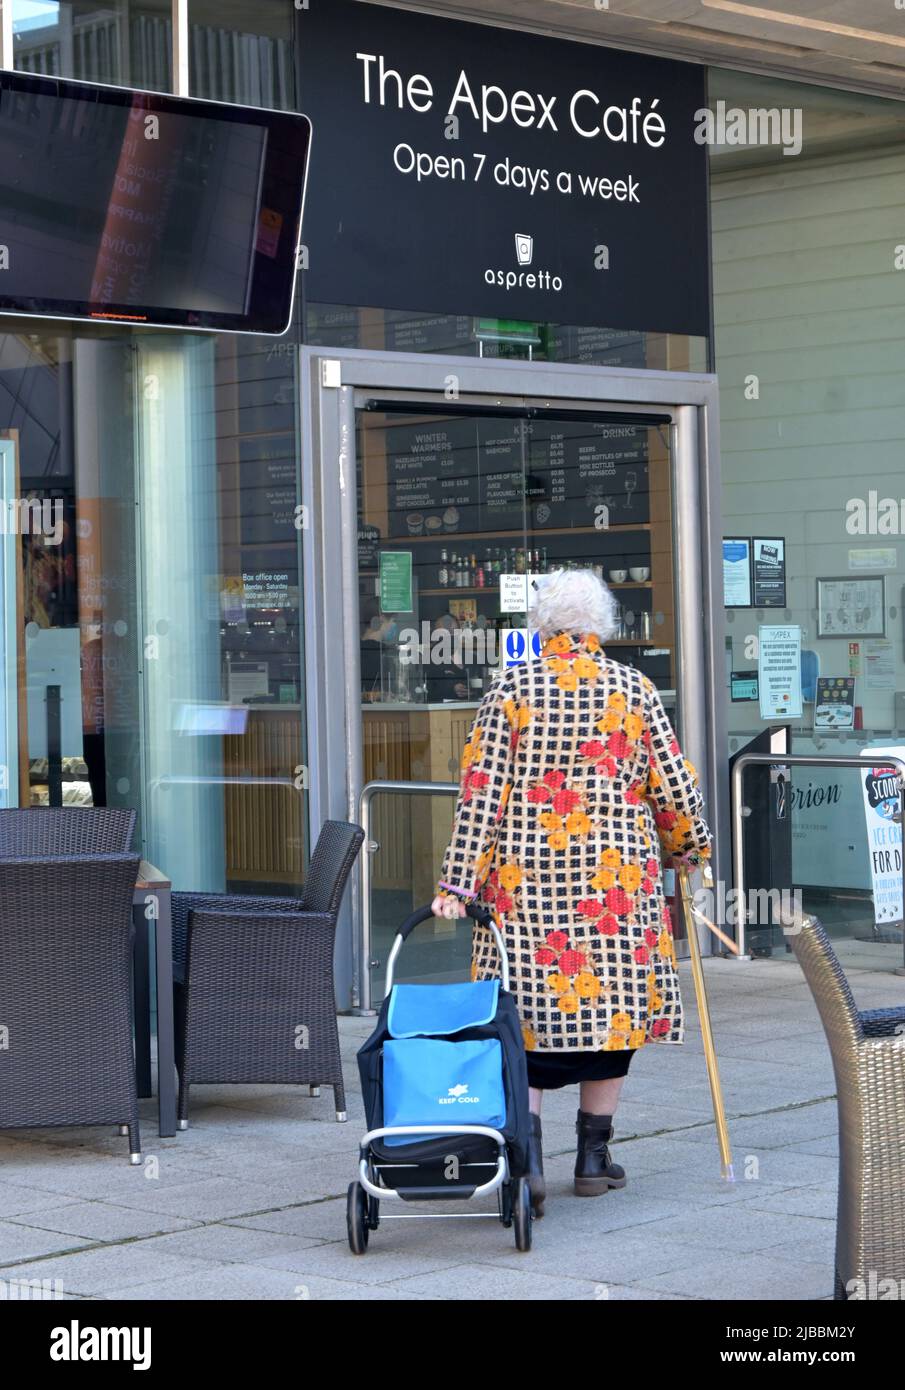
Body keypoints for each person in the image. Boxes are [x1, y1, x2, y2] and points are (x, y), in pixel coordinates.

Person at [431, 569, 711, 1217]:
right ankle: (592, 1156)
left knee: (523, 1023)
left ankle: (526, 1162)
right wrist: (688, 850)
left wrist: (456, 882)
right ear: (599, 628)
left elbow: (480, 794)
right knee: (609, 1016)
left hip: (524, 892)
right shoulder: (633, 689)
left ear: (542, 628)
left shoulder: (510, 689)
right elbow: (673, 789)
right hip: (613, 892)